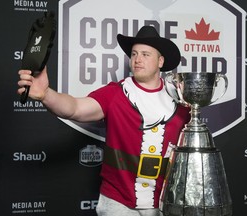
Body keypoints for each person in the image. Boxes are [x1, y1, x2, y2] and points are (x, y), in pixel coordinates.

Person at [17, 25, 191, 216]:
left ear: (161, 61)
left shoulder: (181, 99)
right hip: (118, 203)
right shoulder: (115, 93)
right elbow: (74, 108)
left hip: (165, 202)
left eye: (145, 54)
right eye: (134, 54)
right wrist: (46, 95)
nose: (137, 59)